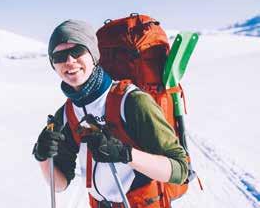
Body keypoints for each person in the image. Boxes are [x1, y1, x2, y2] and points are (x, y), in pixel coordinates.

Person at [32, 20, 188, 207]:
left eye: (77, 51)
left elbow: (180, 170)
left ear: (93, 55)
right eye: (59, 56)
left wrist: (125, 154)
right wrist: (43, 157)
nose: (69, 61)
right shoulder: (67, 114)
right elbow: (59, 184)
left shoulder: (131, 101)